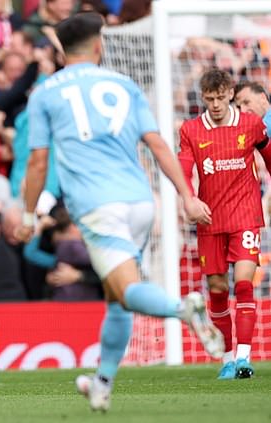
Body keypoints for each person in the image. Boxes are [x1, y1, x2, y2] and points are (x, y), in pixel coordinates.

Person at [17, 13, 223, 412]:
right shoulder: (124, 84)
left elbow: (39, 162)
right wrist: (186, 195)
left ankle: (183, 308)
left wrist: (28, 217)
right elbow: (157, 144)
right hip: (141, 202)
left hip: (98, 207)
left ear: (61, 50)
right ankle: (103, 383)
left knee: (127, 292)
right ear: (98, 46)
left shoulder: (45, 91)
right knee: (116, 299)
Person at [179, 70, 271, 380]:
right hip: (210, 219)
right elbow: (184, 166)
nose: (216, 105)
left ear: (230, 93)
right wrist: (189, 198)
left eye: (220, 98)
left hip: (245, 215)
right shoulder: (191, 130)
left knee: (244, 284)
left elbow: (269, 155)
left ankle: (245, 357)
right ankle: (228, 359)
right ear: (202, 98)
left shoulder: (251, 124)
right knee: (218, 291)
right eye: (209, 99)